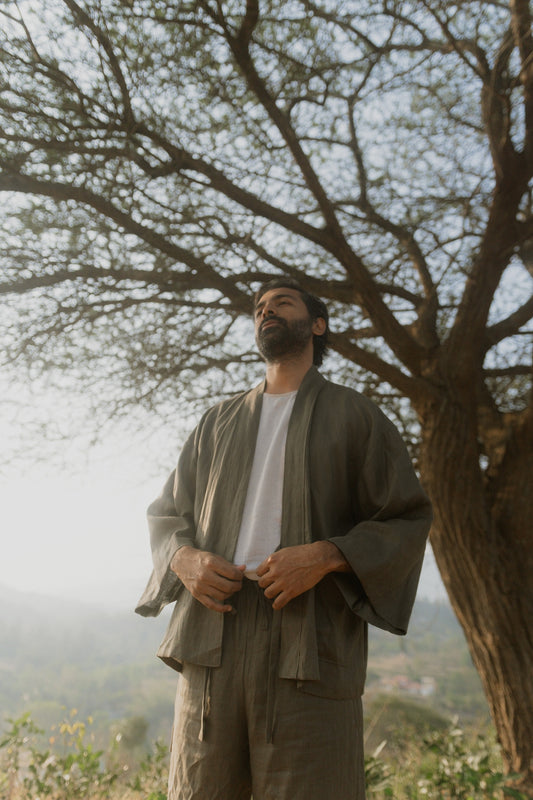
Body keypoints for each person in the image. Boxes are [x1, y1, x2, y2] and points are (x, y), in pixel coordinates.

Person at [136, 278, 432, 800]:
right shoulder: (217, 421)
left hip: (310, 639)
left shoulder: (357, 415)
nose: (266, 311)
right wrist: (184, 559)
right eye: (259, 308)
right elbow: (166, 514)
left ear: (317, 324)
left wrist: (327, 554)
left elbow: (405, 518)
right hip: (212, 638)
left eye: (282, 303)